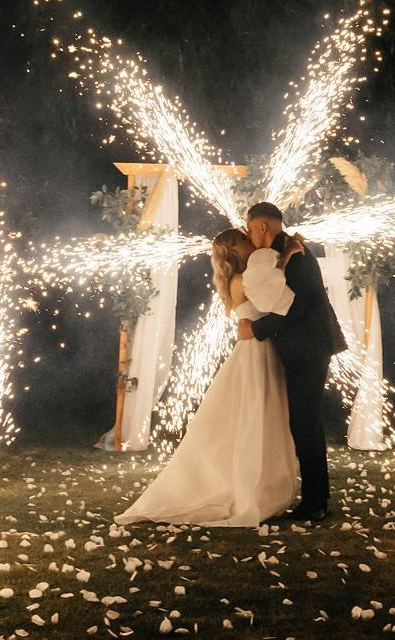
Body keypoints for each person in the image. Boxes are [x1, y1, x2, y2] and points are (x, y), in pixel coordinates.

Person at [116, 229, 298, 527]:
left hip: (258, 350)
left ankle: (264, 485)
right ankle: (250, 488)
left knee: (262, 416)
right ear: (234, 251)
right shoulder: (243, 280)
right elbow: (272, 300)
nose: (250, 243)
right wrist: (284, 259)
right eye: (244, 241)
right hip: (255, 353)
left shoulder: (240, 278)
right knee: (254, 417)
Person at [239, 200, 348, 522]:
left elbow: (297, 307)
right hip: (304, 347)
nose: (248, 236)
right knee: (303, 422)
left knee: (305, 423)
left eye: (249, 228)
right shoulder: (284, 251)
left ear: (262, 226)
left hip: (310, 348)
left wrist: (256, 329)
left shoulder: (295, 254)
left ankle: (314, 503)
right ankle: (316, 498)